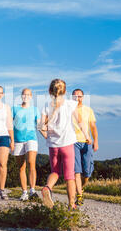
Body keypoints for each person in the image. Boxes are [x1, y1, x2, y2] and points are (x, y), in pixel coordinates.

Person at [38, 79, 91, 210]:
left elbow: (40, 126)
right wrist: (87, 136)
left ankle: (47, 187)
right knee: (69, 176)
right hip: (67, 144)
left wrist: (47, 137)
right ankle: (71, 204)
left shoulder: (46, 106)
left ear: (50, 91)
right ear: (65, 91)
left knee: (55, 171)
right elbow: (81, 122)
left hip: (53, 146)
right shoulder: (71, 104)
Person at [12, 88, 41, 201]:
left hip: (31, 138)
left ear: (31, 97)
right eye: (24, 94)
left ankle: (32, 190)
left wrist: (47, 136)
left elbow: (39, 126)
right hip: (18, 140)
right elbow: (9, 123)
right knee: (21, 167)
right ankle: (24, 192)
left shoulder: (35, 109)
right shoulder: (14, 108)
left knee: (31, 162)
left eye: (28, 94)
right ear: (21, 96)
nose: (26, 96)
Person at [71, 89, 99, 206]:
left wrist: (96, 141)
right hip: (73, 142)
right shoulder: (69, 110)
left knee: (87, 172)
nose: (78, 98)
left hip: (87, 142)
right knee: (77, 170)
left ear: (83, 97)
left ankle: (81, 188)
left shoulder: (88, 110)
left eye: (80, 96)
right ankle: (79, 195)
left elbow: (93, 127)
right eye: (75, 96)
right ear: (72, 97)